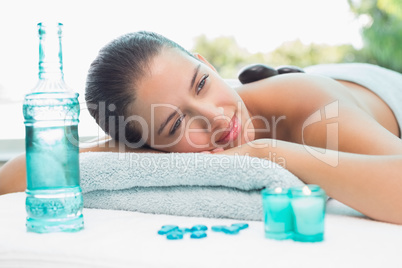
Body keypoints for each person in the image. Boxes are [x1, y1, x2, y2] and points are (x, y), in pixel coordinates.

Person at [1, 31, 402, 224]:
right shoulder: (144, 143)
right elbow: (18, 173)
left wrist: (265, 152)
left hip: (362, 85)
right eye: (176, 122)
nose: (213, 117)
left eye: (202, 83)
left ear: (207, 63)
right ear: (148, 147)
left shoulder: (309, 108)